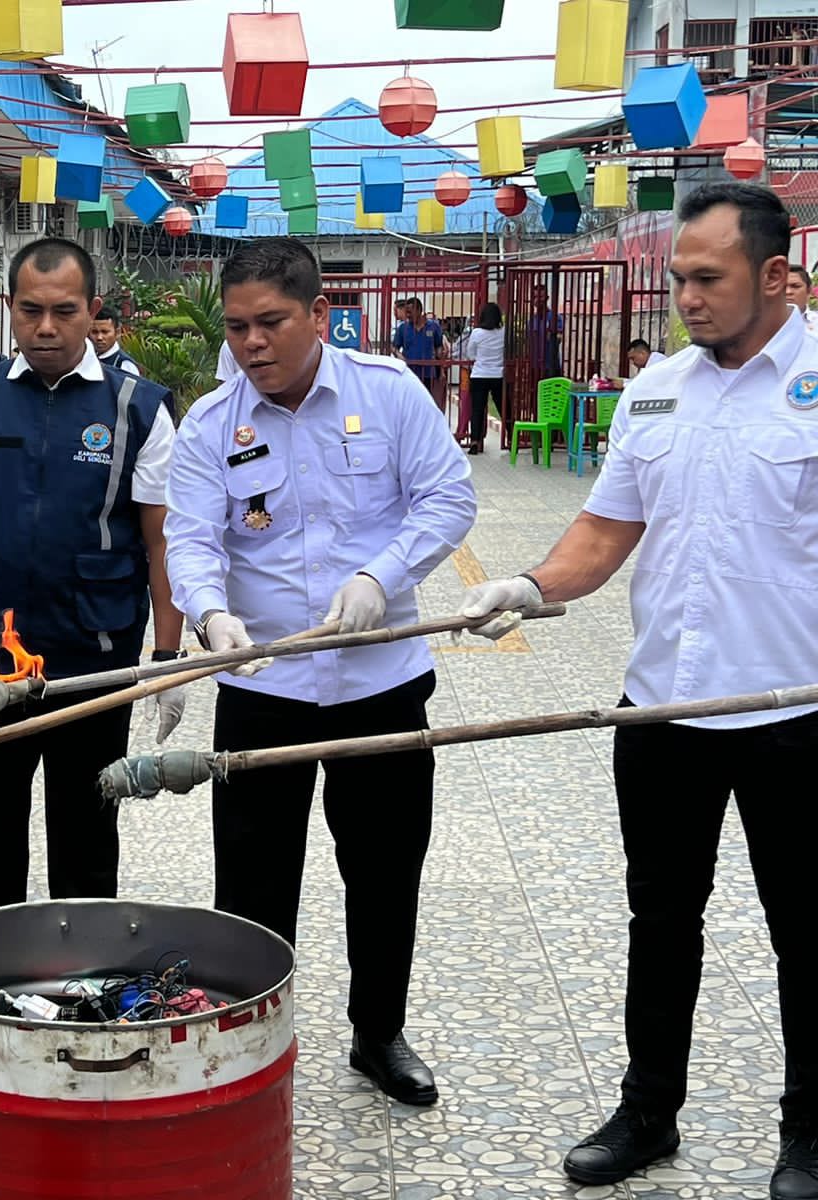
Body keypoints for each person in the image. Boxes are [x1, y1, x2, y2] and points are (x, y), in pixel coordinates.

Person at [458, 183, 818, 1198]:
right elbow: (604, 534)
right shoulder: (658, 388)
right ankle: (646, 1112)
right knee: (660, 920)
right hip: (661, 710)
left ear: (776, 277)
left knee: (807, 930)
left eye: (707, 279)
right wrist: (527, 585)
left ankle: (810, 1130)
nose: (687, 299)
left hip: (796, 715)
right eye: (677, 280)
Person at [164, 237, 476, 1108]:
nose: (251, 344)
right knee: (254, 879)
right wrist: (209, 611)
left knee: (383, 867)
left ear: (319, 318)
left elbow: (448, 497)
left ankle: (378, 1032)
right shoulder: (210, 423)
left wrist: (384, 576)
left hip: (381, 682)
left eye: (270, 324)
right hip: (261, 688)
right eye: (236, 328)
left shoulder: (387, 392)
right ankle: (254, 1036)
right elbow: (190, 537)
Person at [0, 237, 185, 916]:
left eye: (64, 310)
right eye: (30, 311)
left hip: (95, 651)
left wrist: (167, 658)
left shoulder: (136, 408)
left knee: (87, 827)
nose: (47, 328)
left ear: (93, 311)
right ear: (9, 308)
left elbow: (162, 539)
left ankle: (82, 981)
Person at [458, 302, 504, 455]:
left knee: (477, 410)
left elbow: (470, 354)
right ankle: (511, 437)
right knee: (503, 407)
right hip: (498, 375)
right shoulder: (503, 332)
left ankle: (475, 441)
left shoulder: (477, 333)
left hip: (479, 374)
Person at [393, 298, 447, 408]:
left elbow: (438, 347)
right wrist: (399, 355)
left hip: (428, 372)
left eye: (410, 312)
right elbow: (394, 347)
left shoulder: (433, 326)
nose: (407, 315)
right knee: (410, 403)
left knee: (427, 403)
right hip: (409, 372)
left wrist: (441, 369)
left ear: (419, 310)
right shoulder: (403, 328)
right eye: (406, 312)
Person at [527, 281, 564, 377]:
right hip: (534, 366)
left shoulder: (555, 317)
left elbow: (557, 339)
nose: (537, 300)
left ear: (547, 298)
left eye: (540, 297)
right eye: (534, 297)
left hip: (551, 366)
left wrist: (552, 334)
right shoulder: (531, 320)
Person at [88, 309, 140, 375]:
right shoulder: (88, 359)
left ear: (117, 333)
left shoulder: (124, 364)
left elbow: (130, 385)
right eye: (94, 332)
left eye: (105, 332)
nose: (99, 337)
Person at [786, 265, 818, 336]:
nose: (788, 292)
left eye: (795, 286)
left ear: (809, 290)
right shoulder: (761, 326)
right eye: (782, 287)